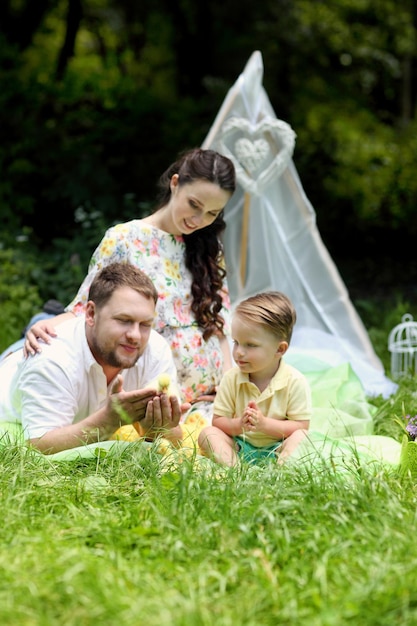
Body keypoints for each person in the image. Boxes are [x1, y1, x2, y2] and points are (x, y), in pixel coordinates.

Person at [23, 148, 236, 428]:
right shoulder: (126, 238)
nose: (198, 220)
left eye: (212, 213)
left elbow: (218, 322)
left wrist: (230, 384)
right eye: (194, 204)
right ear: (175, 184)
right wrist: (47, 326)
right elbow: (89, 307)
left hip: (208, 399)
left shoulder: (209, 248)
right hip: (154, 393)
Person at [0, 262, 185, 454]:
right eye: (124, 320)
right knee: (32, 337)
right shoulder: (51, 359)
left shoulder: (155, 349)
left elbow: (174, 438)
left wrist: (157, 427)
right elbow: (38, 445)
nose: (136, 335)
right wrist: (108, 421)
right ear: (90, 313)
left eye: (145, 324)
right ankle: (41, 319)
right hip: (9, 378)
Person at [198, 292, 311, 466]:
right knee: (207, 434)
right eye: (236, 342)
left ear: (280, 349)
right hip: (240, 445)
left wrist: (265, 425)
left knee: (302, 438)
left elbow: (301, 426)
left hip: (278, 446)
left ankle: (282, 470)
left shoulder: (294, 381)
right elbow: (219, 421)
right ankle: (235, 470)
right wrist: (239, 425)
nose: (239, 352)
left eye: (250, 345)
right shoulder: (231, 379)